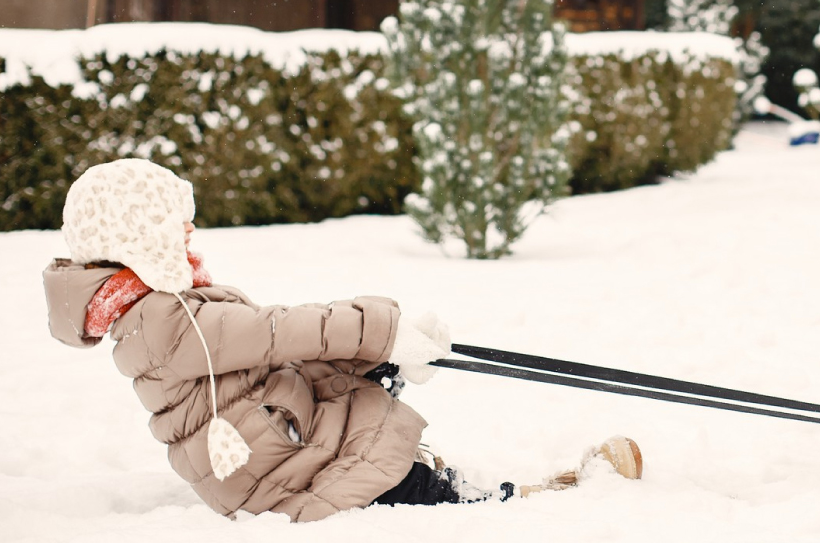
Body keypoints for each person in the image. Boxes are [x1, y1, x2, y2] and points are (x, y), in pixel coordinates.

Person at [41, 158, 643, 522]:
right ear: (135, 238)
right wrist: (380, 329)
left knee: (355, 387)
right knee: (405, 487)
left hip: (273, 443)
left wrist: (378, 350)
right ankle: (535, 504)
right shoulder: (162, 321)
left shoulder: (156, 313)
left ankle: (429, 452)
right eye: (174, 222)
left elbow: (270, 355)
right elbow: (276, 331)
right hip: (282, 472)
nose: (190, 228)